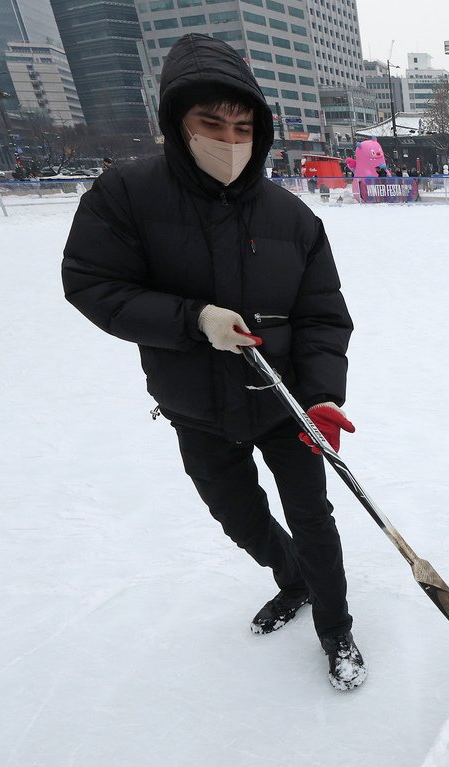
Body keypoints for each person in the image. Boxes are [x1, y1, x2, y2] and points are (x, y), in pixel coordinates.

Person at [61, 34, 366, 691]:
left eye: (243, 125)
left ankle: (337, 628)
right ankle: (293, 579)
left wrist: (321, 395)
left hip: (286, 405)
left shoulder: (293, 219)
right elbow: (93, 283)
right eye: (211, 123)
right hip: (197, 406)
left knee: (314, 518)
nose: (230, 139)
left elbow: (322, 316)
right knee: (240, 516)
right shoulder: (125, 197)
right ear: (177, 122)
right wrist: (192, 319)